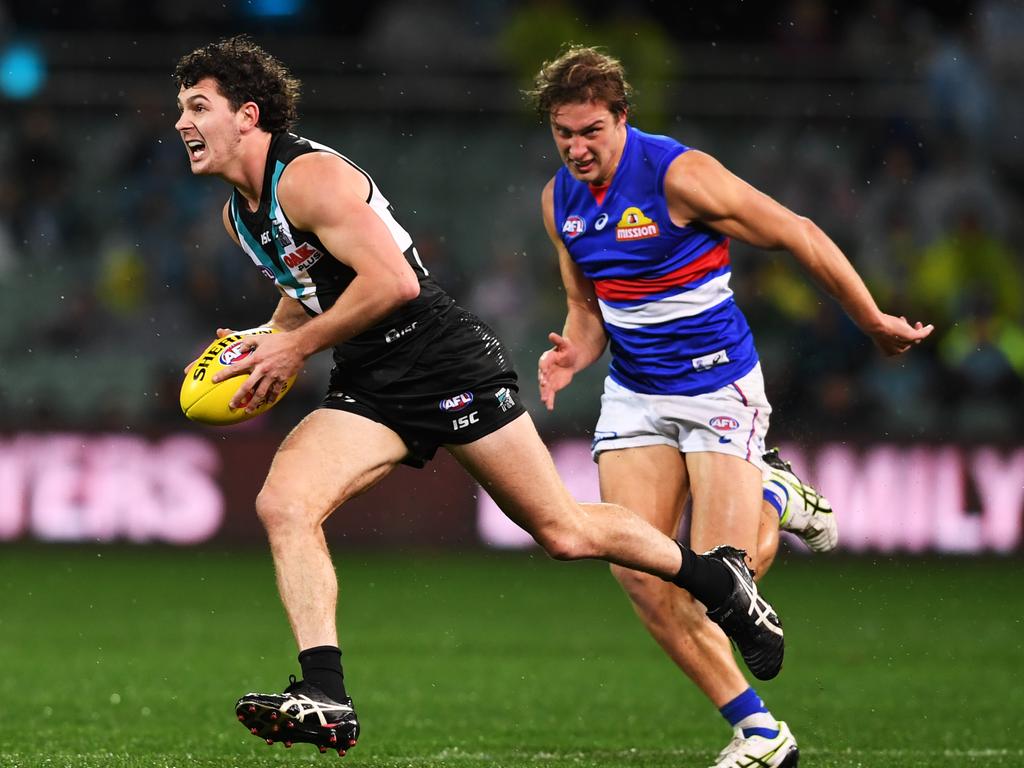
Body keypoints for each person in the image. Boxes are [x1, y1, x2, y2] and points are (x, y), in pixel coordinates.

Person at [172, 36, 788, 758]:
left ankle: (718, 579)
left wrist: (297, 346)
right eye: (180, 108)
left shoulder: (309, 178)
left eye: (197, 106)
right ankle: (326, 695)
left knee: (563, 532)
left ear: (247, 115)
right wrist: (265, 337)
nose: (181, 121)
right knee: (284, 504)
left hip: (442, 359)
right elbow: (306, 288)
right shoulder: (239, 213)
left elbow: (394, 284)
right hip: (371, 379)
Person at [529, 46, 933, 768]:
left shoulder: (680, 175)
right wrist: (572, 354)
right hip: (634, 395)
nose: (577, 147)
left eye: (591, 130)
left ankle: (773, 495)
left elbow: (798, 233)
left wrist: (871, 320)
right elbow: (584, 306)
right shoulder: (558, 200)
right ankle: (760, 733)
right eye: (564, 133)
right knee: (641, 576)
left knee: (726, 577)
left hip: (716, 384)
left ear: (622, 118)